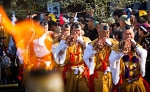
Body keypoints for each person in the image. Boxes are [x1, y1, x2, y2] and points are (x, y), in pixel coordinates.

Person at [109, 26, 149, 92]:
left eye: (130, 34)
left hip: (137, 81)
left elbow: (144, 54)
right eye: (126, 34)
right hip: (125, 83)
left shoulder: (136, 46)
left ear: (133, 34)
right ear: (122, 35)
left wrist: (135, 46)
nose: (129, 36)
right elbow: (112, 60)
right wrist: (121, 53)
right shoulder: (116, 47)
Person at [52, 23, 91, 92]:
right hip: (69, 71)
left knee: (84, 89)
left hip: (81, 71)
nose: (76, 33)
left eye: (78, 30)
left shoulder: (86, 40)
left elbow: (90, 52)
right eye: (75, 31)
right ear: (71, 31)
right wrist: (66, 45)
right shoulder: (65, 41)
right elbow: (58, 55)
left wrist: (81, 42)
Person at [83, 23, 118, 92]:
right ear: (98, 32)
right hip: (99, 75)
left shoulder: (114, 42)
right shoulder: (92, 44)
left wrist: (111, 45)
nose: (106, 34)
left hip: (112, 73)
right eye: (103, 32)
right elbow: (86, 58)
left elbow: (120, 54)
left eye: (107, 32)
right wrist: (94, 51)